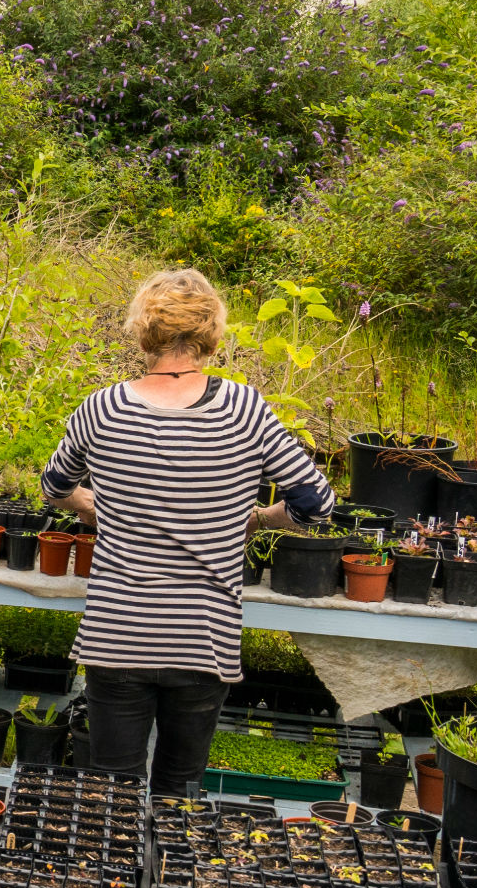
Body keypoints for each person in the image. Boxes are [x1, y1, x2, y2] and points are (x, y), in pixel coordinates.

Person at [42, 268, 334, 795]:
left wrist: (92, 507)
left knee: (113, 792)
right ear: (211, 333)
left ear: (141, 330)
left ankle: (115, 875)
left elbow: (55, 485)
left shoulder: (102, 409)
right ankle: (169, 874)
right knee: (180, 791)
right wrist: (259, 519)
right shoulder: (244, 410)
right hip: (203, 639)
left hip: (119, 636)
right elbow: (316, 503)